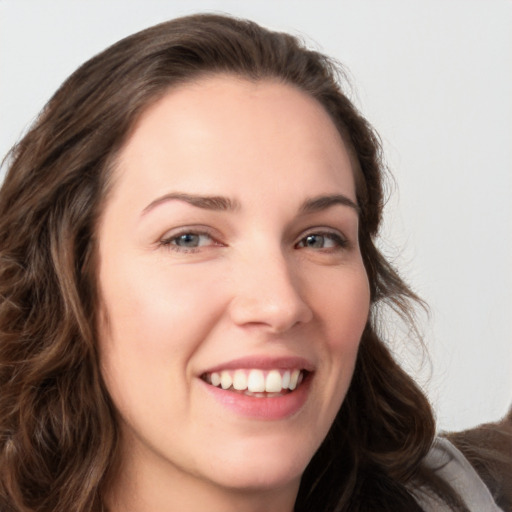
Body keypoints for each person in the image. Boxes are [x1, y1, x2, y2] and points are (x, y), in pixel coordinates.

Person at [0, 13, 506, 512]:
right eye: (190, 238)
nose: (280, 304)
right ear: (67, 276)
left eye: (318, 239)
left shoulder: (451, 497)